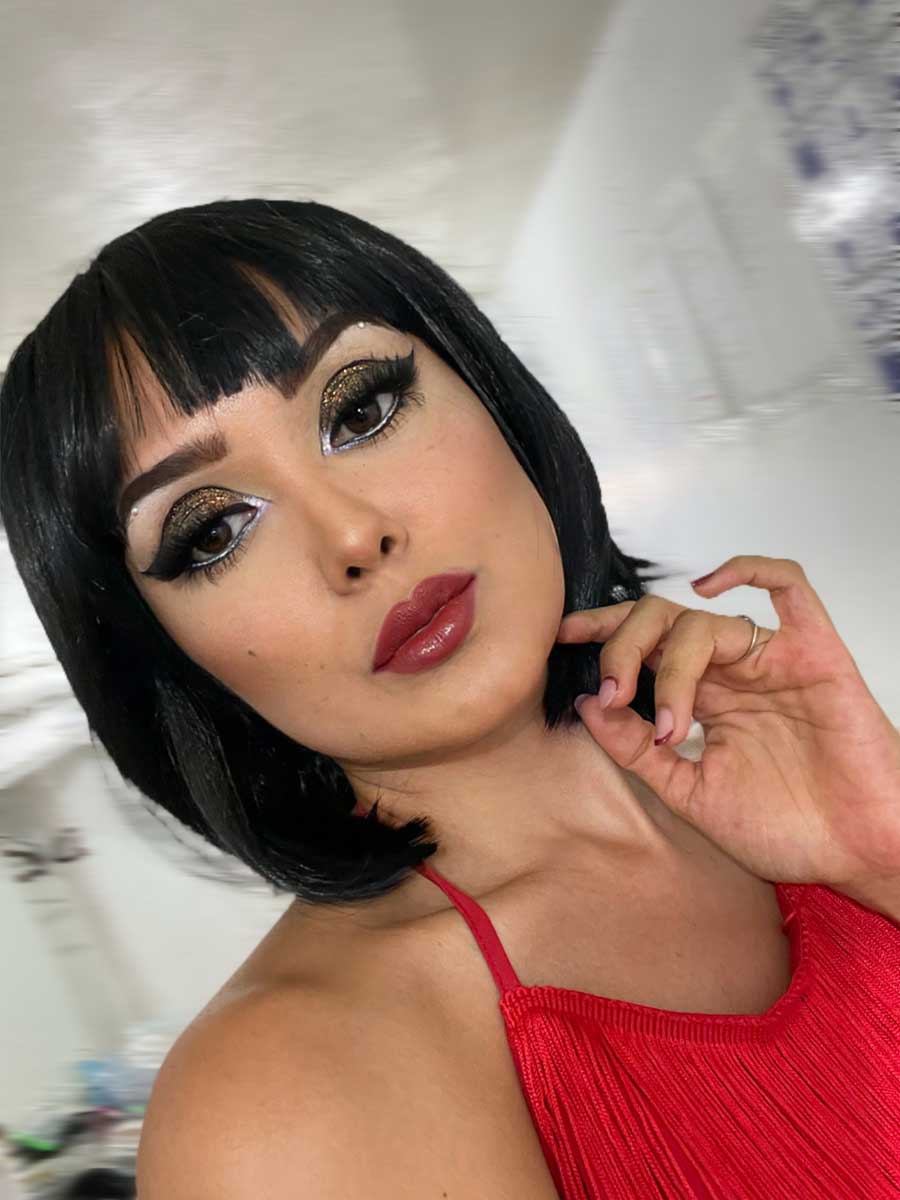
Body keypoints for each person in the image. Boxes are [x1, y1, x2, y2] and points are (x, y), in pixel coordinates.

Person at [1, 199, 897, 1199]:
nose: (353, 536)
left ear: (490, 392)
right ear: (164, 659)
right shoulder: (284, 1105)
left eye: (361, 410)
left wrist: (882, 852)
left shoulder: (791, 794)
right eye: (214, 530)